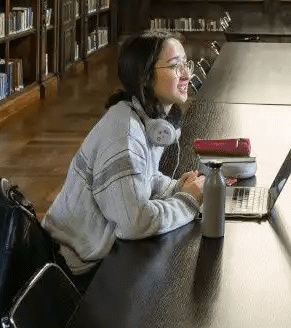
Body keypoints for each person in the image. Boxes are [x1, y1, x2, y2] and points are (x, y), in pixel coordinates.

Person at [43, 29, 205, 282]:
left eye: (186, 63)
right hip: (76, 268)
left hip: (99, 252)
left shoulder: (143, 118)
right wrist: (187, 202)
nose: (187, 74)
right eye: (176, 66)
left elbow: (143, 178)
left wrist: (175, 187)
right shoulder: (125, 134)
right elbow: (135, 223)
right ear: (145, 76)